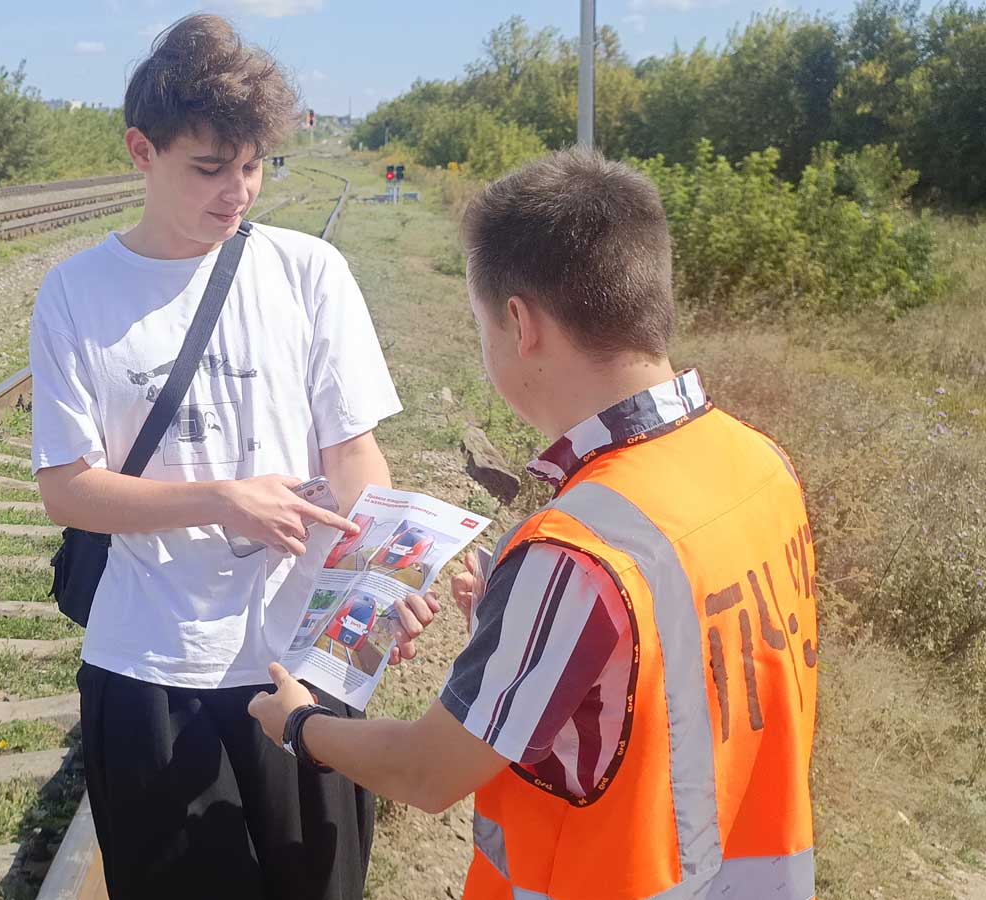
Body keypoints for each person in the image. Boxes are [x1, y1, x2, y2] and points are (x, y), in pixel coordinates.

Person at [250, 147, 820, 900]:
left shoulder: (575, 552)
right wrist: (519, 615)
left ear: (519, 324)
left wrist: (298, 726)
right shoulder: (758, 462)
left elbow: (430, 771)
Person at [29, 14, 435, 899]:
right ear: (141, 150)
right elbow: (67, 489)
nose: (238, 192)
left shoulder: (310, 272)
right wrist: (222, 500)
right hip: (151, 670)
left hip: (302, 672)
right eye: (209, 169)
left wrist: (378, 588)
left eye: (252, 166)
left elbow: (356, 453)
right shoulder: (76, 294)